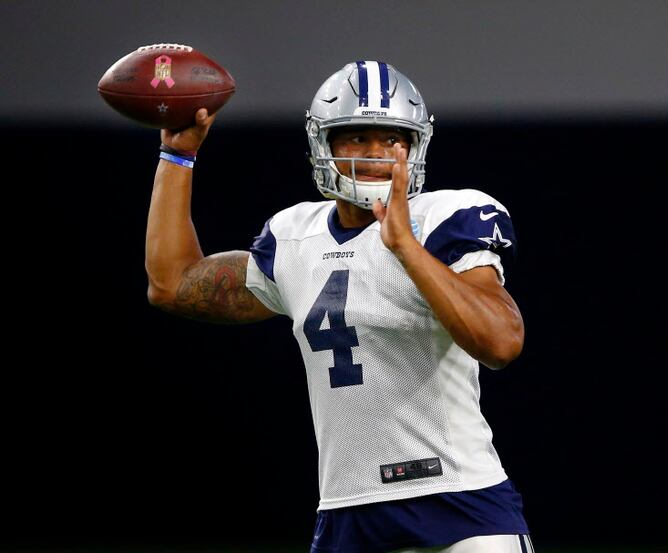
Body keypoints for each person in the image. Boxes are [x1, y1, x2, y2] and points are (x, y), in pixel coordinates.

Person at [145, 60, 534, 553]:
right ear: (322, 145)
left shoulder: (444, 218)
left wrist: (407, 249)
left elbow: (501, 343)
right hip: (347, 514)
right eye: (356, 138)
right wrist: (176, 158)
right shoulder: (294, 237)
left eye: (393, 139)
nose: (376, 155)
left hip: (458, 505)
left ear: (416, 145)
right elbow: (172, 283)